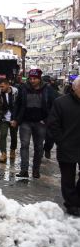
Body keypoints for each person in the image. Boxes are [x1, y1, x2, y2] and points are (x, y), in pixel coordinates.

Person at [11, 68, 55, 179]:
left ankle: (36, 170)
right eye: (30, 78)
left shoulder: (47, 89)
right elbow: (17, 104)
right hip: (25, 121)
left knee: (39, 147)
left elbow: (53, 105)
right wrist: (15, 119)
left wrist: (47, 120)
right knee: (24, 145)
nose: (32, 80)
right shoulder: (23, 88)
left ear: (39, 79)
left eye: (34, 78)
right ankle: (24, 170)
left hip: (40, 122)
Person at [47, 77, 80, 216]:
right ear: (74, 88)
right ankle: (71, 204)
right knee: (68, 178)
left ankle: (76, 199)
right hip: (67, 147)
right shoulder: (61, 102)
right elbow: (53, 124)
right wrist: (61, 142)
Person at [0, 79, 18, 163]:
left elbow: (19, 105)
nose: (1, 88)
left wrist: (17, 117)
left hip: (14, 118)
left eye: (3, 86)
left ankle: (12, 150)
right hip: (3, 118)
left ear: (8, 85)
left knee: (14, 136)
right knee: (3, 135)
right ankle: (3, 153)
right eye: (0, 86)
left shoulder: (16, 93)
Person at [42, 75, 61, 159]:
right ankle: (46, 149)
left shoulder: (51, 90)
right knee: (48, 136)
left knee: (45, 136)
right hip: (49, 117)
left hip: (46, 117)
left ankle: (45, 149)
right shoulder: (54, 90)